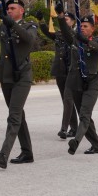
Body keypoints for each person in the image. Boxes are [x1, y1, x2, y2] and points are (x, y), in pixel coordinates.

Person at [0, 0, 39, 168]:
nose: (9, 10)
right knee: (19, 115)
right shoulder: (4, 26)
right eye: (8, 8)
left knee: (14, 115)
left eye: (12, 8)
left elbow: (29, 39)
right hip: (7, 76)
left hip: (22, 76)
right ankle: (27, 152)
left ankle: (4, 153)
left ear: (21, 10)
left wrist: (13, 24)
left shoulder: (30, 25)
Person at [58, 10, 98, 156]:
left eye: (86, 26)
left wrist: (86, 41)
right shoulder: (74, 39)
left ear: (92, 28)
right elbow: (65, 32)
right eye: (81, 26)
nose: (83, 28)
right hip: (76, 81)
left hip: (91, 82)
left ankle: (76, 141)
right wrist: (61, 17)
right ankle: (96, 145)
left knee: (85, 115)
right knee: (84, 116)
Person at [40, 10, 77, 139]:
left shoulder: (75, 35)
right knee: (66, 100)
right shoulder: (59, 34)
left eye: (67, 19)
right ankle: (75, 128)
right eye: (64, 19)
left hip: (71, 72)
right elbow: (47, 32)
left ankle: (64, 128)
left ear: (73, 22)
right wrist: (41, 21)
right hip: (60, 71)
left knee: (68, 99)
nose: (64, 21)